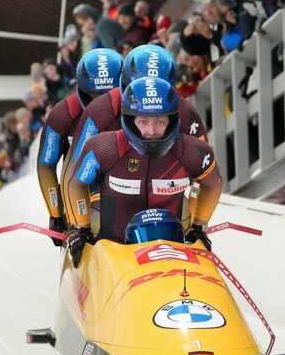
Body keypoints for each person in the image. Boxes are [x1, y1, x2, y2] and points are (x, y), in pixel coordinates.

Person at [63, 77, 223, 265]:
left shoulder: (194, 152)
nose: (151, 131)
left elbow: (212, 185)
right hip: (113, 246)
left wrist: (199, 227)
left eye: (160, 121)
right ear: (130, 120)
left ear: (172, 120)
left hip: (173, 246)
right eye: (143, 122)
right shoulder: (102, 148)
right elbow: (76, 184)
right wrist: (80, 228)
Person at [59, 45, 207, 232]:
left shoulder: (187, 114)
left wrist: (197, 224)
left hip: (164, 193)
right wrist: (77, 224)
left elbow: (203, 172)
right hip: (111, 191)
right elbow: (75, 169)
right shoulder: (100, 110)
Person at [37, 48, 124, 246]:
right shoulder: (63, 115)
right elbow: (46, 165)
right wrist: (56, 215)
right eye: (96, 96)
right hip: (81, 184)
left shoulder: (137, 109)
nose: (104, 103)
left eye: (111, 94)